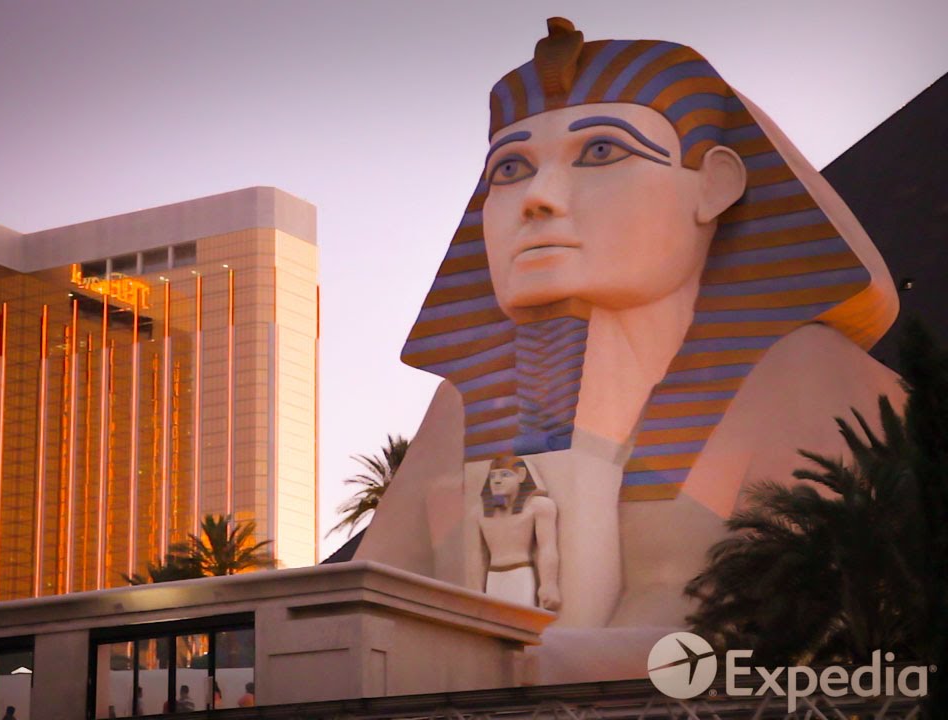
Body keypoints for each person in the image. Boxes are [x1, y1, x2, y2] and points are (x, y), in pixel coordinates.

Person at [355, 16, 902, 679]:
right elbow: (360, 615)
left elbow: (748, 640)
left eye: (601, 151)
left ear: (715, 186)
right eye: (510, 168)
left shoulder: (806, 372)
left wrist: (512, 672)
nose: (537, 199)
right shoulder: (463, 406)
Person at [478, 456, 559, 610]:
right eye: (493, 476)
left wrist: (549, 584)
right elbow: (477, 556)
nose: (497, 481)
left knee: (521, 620)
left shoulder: (540, 506)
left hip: (520, 574)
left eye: (505, 474)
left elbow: (547, 548)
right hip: (492, 577)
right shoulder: (478, 513)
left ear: (521, 475)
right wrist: (475, 590)